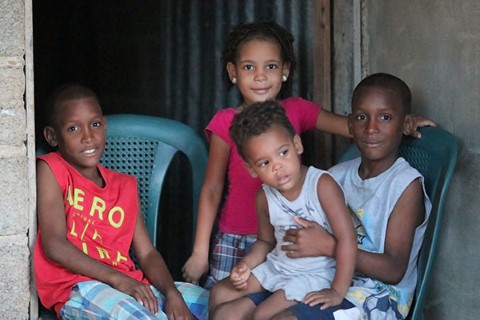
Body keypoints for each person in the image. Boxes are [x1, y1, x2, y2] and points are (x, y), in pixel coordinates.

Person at [181, 21, 434, 289]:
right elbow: (212, 188)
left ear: (285, 70)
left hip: (288, 239)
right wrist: (199, 253)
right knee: (224, 299)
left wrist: (400, 123)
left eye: (270, 66)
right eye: (248, 67)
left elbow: (357, 127)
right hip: (236, 237)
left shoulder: (297, 111)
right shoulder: (226, 122)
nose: (260, 76)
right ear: (233, 72)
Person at [34, 83, 208, 320]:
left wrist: (171, 292)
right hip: (79, 287)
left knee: (218, 304)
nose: (88, 136)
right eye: (73, 128)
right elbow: (55, 244)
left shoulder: (124, 186)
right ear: (52, 136)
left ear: (104, 126)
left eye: (95, 125)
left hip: (130, 283)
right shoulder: (52, 169)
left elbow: (147, 254)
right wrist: (119, 279)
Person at [274, 73, 433, 320]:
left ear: (406, 124)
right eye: (361, 117)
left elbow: (394, 270)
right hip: (333, 277)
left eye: (385, 117)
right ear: (350, 124)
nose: (371, 128)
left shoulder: (405, 185)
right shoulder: (336, 176)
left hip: (379, 297)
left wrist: (328, 246)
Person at [208, 101, 357, 320]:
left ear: (297, 144)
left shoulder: (322, 185)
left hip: (315, 274)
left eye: (283, 153)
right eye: (265, 162)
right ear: (251, 168)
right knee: (219, 293)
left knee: (261, 315)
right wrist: (245, 265)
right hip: (278, 267)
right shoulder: (264, 196)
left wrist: (337, 291)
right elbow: (265, 242)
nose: (277, 166)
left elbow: (348, 239)